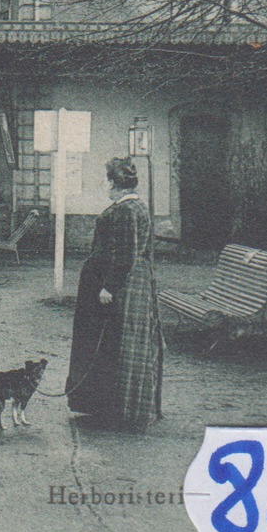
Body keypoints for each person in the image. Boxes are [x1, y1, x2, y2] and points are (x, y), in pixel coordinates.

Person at [65, 156, 163, 427]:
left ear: (115, 183)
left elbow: (126, 253)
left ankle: (117, 408)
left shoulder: (125, 211)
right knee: (117, 343)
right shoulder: (134, 206)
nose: (104, 184)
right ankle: (112, 405)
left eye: (106, 179)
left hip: (122, 286)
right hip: (131, 282)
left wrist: (110, 286)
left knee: (115, 343)